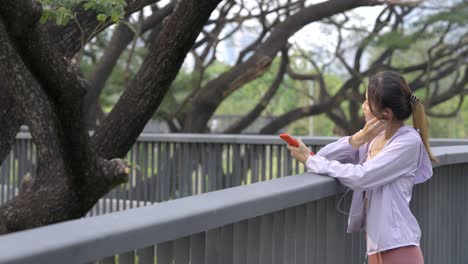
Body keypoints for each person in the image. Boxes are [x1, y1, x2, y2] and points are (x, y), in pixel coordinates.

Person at [287, 71, 435, 264]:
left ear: (386, 113)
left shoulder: (408, 142)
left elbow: (361, 177)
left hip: (399, 248)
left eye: (367, 102)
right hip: (377, 249)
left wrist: (310, 160)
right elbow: (322, 158)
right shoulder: (373, 138)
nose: (363, 107)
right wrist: (358, 139)